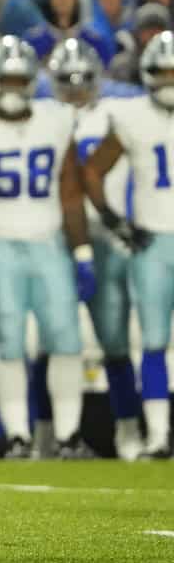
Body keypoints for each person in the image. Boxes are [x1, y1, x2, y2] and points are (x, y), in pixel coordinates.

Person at [0, 37, 95, 459]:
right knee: (9, 340)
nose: (12, 87)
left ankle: (68, 436)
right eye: (5, 79)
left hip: (48, 238)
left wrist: (82, 252)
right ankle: (18, 437)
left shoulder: (57, 118)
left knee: (66, 339)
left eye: (19, 79)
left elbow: (70, 190)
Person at [47, 39, 143, 461]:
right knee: (47, 342)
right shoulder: (43, 118)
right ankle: (44, 434)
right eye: (66, 80)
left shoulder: (118, 113)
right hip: (54, 238)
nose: (75, 88)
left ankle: (128, 431)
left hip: (105, 238)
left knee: (115, 340)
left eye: (83, 78)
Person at [84, 31, 174, 459]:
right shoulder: (132, 115)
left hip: (151, 243)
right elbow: (92, 171)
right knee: (153, 341)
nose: (170, 80)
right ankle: (157, 435)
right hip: (151, 241)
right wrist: (113, 219)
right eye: (163, 72)